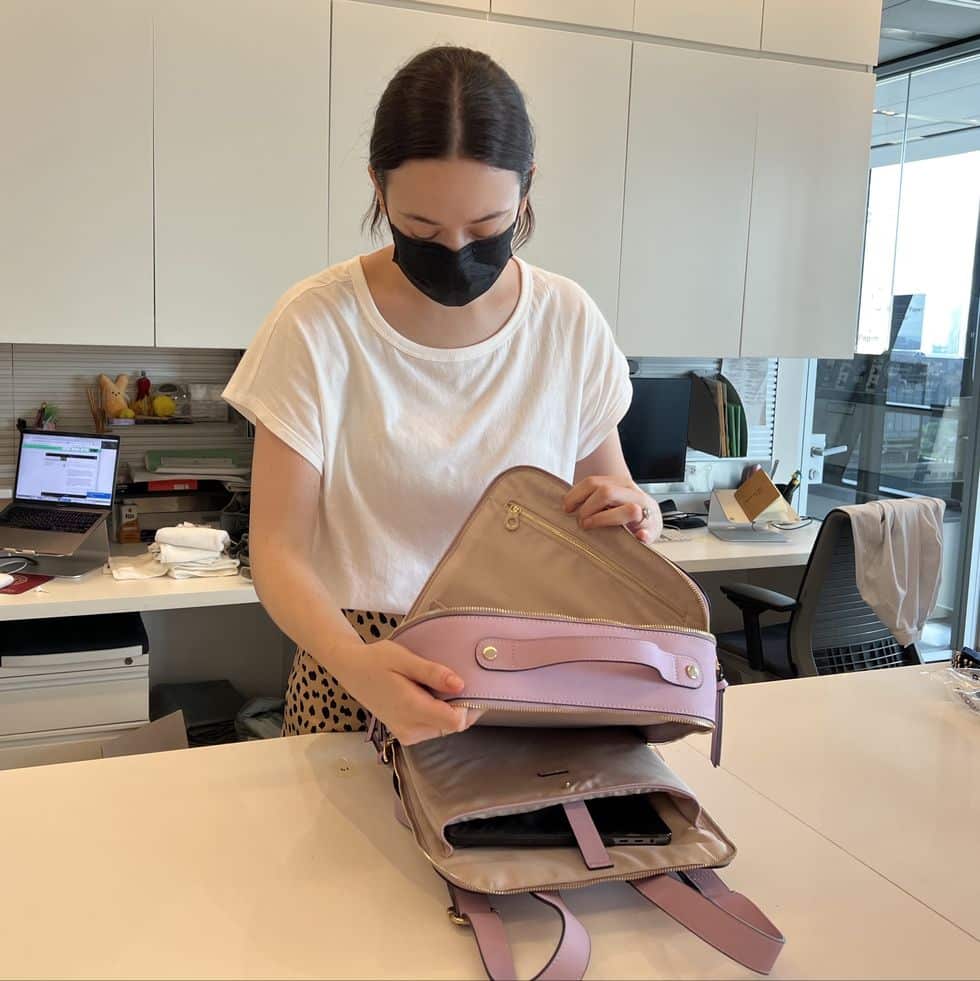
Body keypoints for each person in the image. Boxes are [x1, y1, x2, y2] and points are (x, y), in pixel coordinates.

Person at [223, 45, 663, 747]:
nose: (456, 250)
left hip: (528, 664)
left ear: (527, 189)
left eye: (488, 228)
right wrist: (356, 665)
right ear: (377, 188)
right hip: (355, 659)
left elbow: (612, 497)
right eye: (423, 229)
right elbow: (277, 550)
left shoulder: (567, 320)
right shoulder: (316, 323)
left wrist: (640, 516)